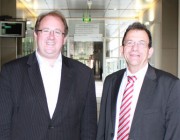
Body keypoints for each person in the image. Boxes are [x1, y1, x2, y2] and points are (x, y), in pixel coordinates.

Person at [0, 10, 97, 140]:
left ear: (64, 39)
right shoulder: (11, 72)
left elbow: (89, 128)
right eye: (45, 30)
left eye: (57, 32)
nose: (51, 37)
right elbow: (3, 125)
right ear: (36, 35)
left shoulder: (84, 75)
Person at [96, 22, 180, 140]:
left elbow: (174, 134)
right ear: (122, 49)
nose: (135, 48)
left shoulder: (170, 85)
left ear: (150, 51)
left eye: (141, 43)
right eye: (129, 43)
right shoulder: (111, 81)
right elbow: (102, 128)